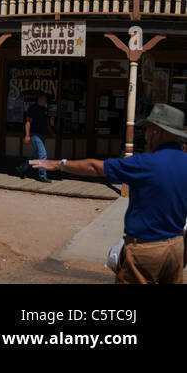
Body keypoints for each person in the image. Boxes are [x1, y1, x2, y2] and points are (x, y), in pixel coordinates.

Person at [32, 103, 187, 284]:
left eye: (147, 130)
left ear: (156, 132)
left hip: (146, 249)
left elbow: (95, 167)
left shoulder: (145, 163)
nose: (144, 136)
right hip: (176, 247)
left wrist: (59, 164)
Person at [17, 93, 54, 182]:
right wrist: (27, 135)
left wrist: (51, 132)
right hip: (35, 134)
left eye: (46, 99)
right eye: (44, 98)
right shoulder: (33, 108)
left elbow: (47, 122)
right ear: (40, 98)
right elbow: (28, 122)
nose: (45, 100)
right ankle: (42, 175)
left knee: (37, 155)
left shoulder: (44, 109)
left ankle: (22, 168)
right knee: (43, 154)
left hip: (43, 134)